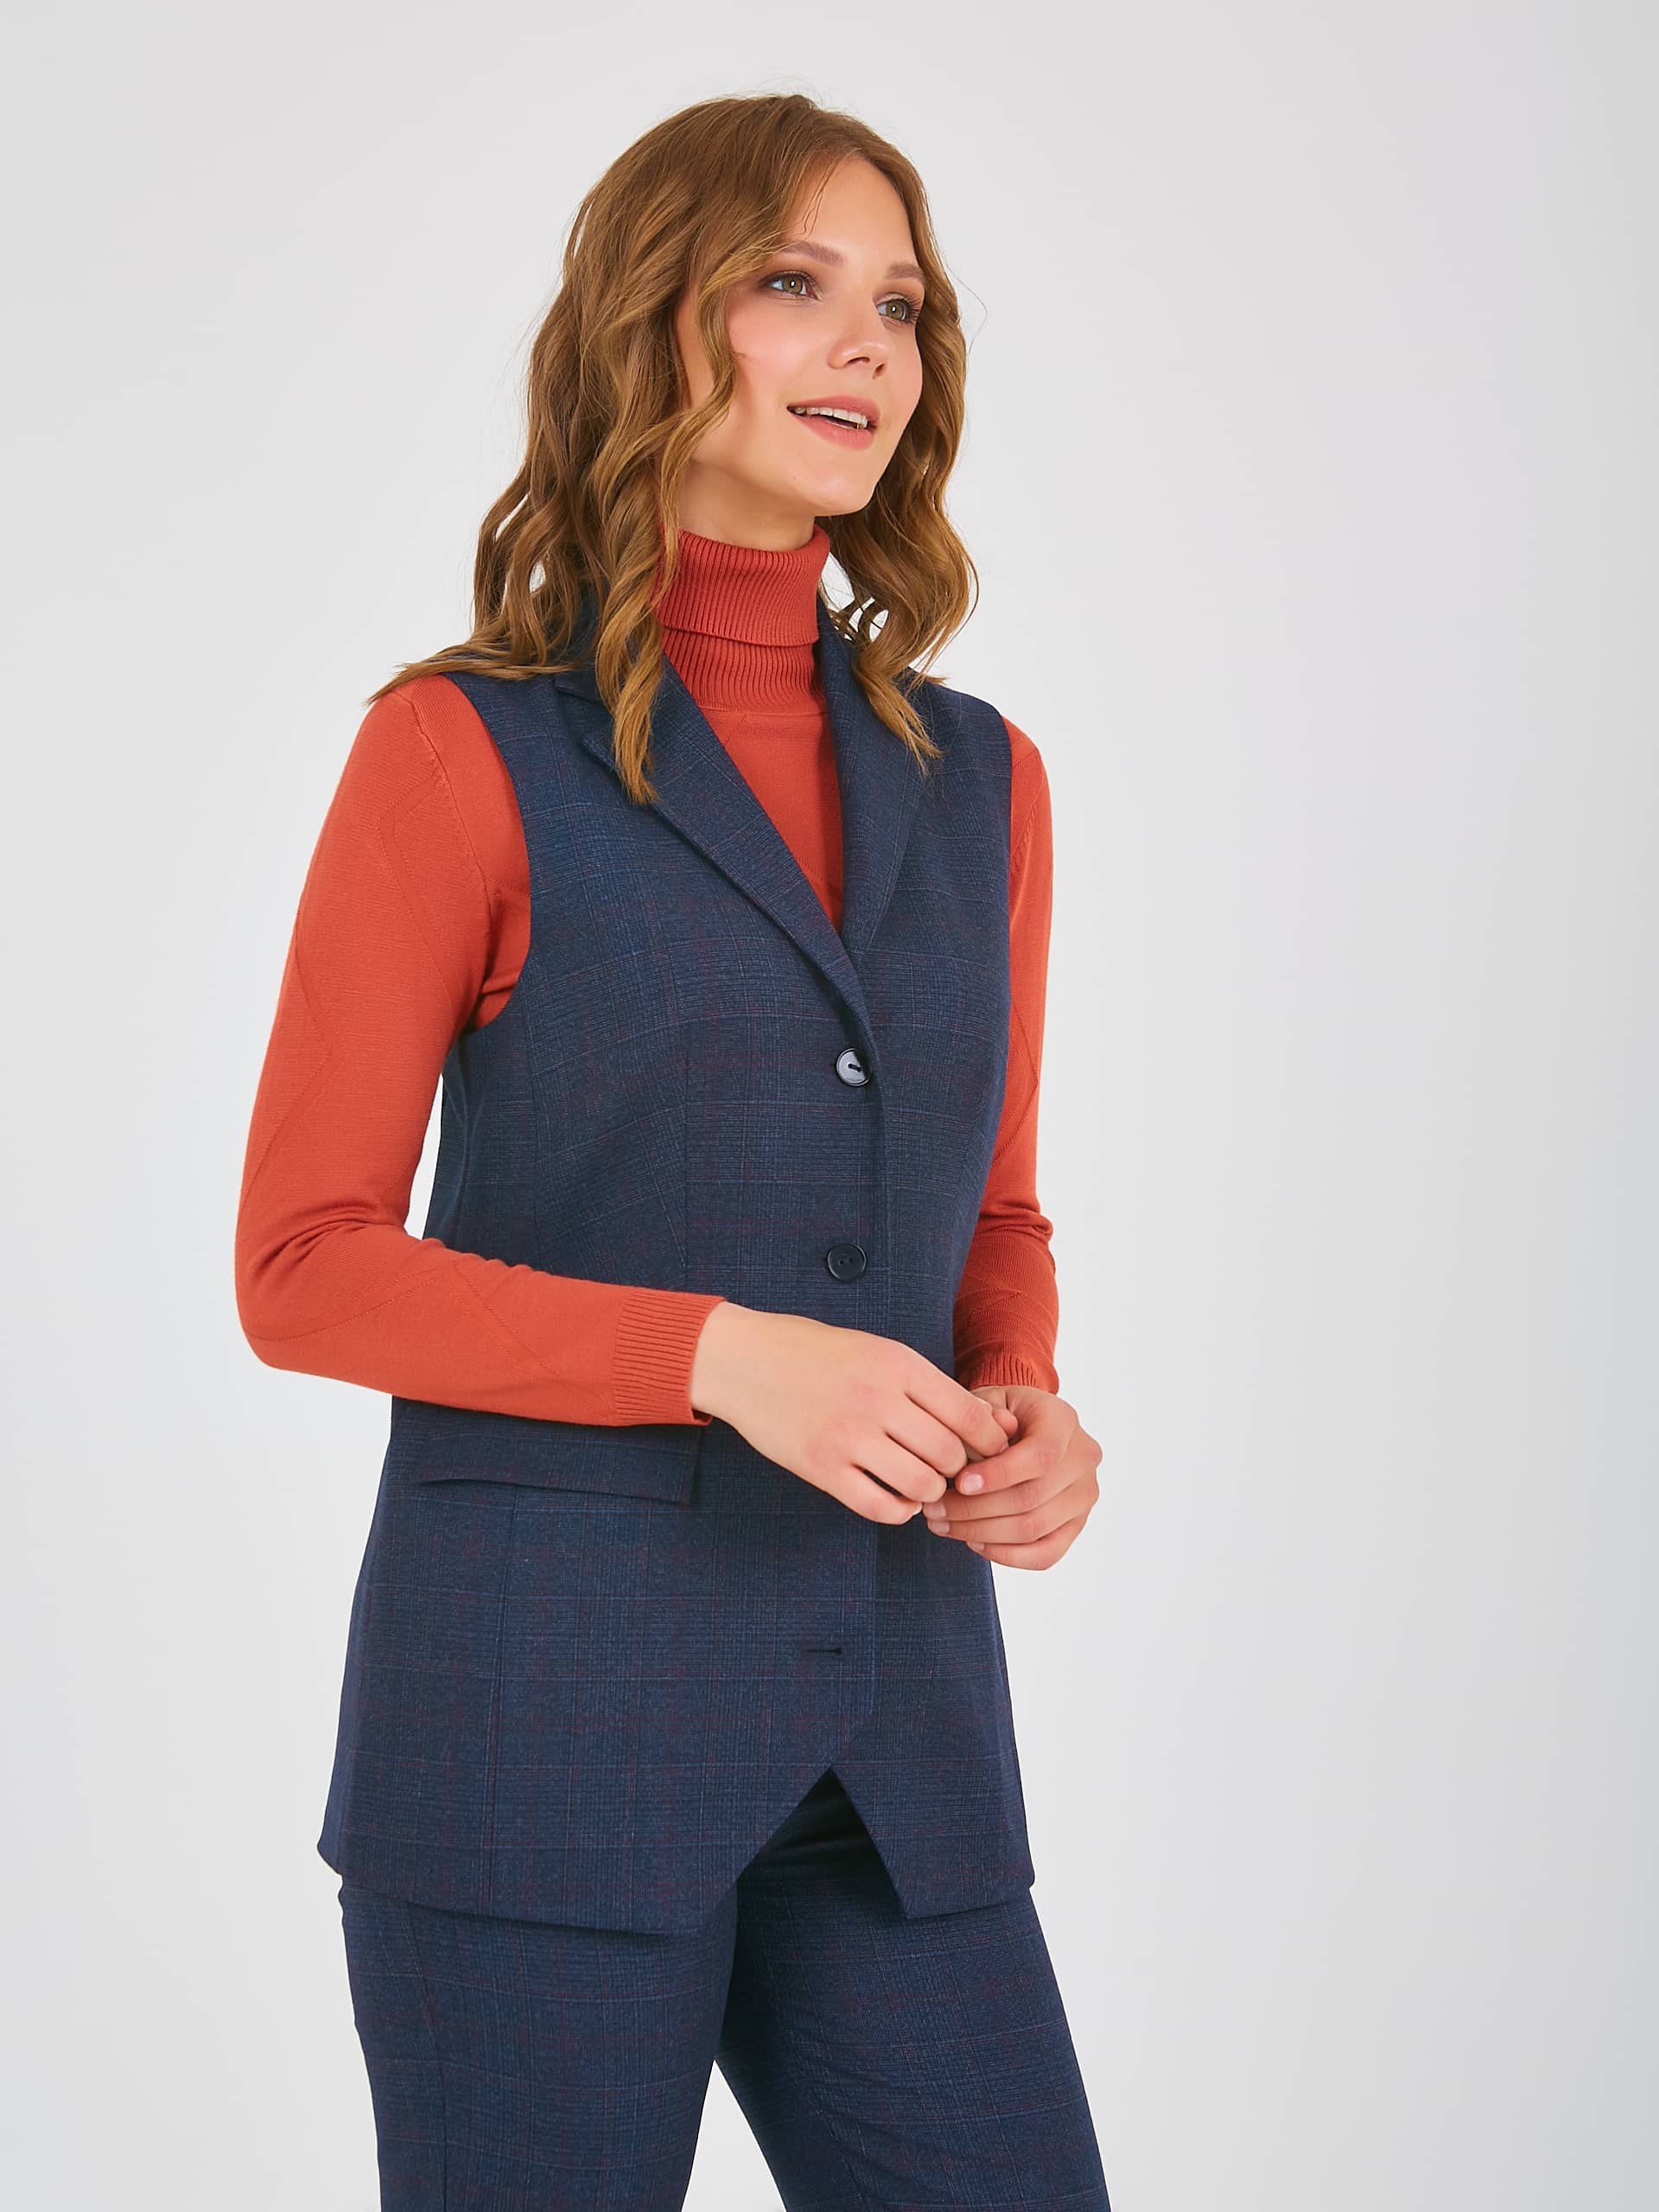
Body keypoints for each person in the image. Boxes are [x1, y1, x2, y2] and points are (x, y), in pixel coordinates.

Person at [235, 88, 1111, 2212]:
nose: (869, 343)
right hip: (538, 1745)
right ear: (655, 321)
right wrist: (724, 1354)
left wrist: (1023, 1394)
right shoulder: (459, 746)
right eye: (795, 283)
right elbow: (305, 1263)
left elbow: (989, 1208)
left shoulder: (985, 780)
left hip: (894, 1752)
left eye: (901, 301)